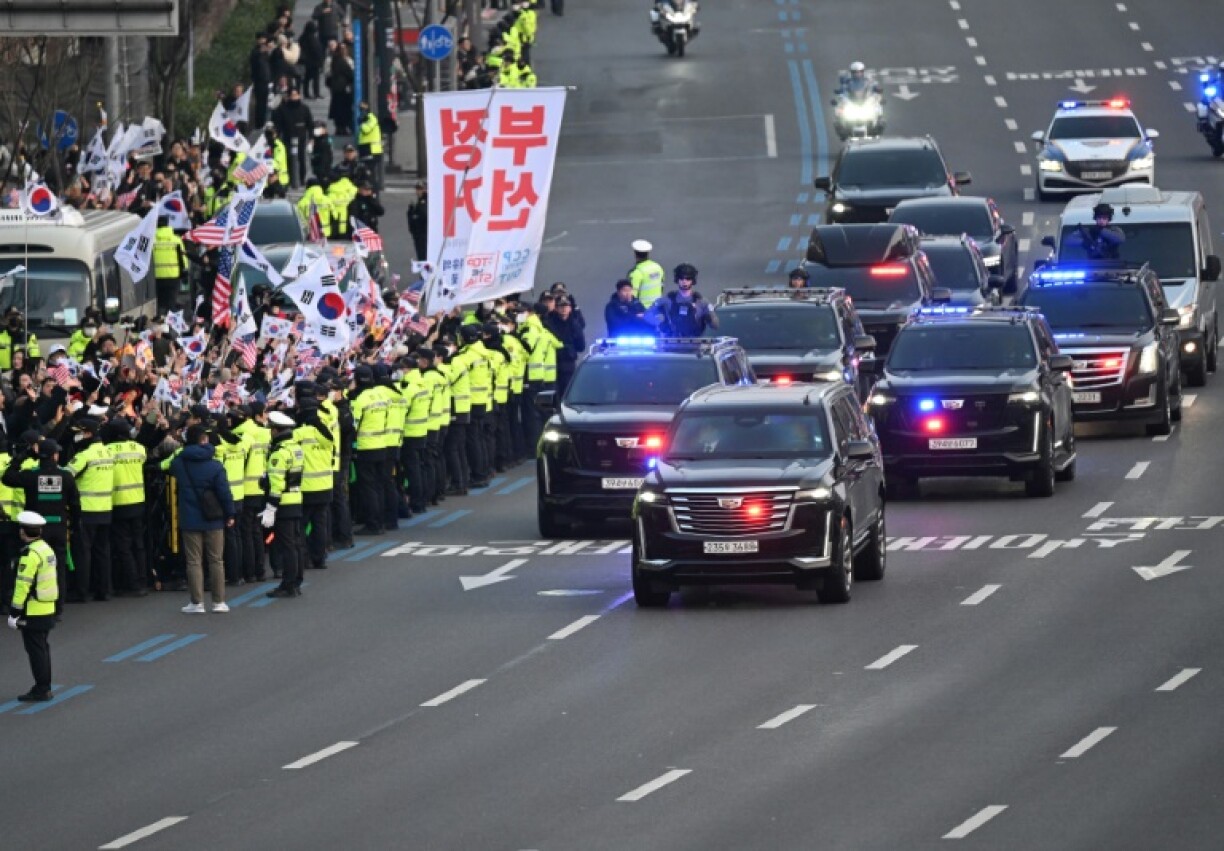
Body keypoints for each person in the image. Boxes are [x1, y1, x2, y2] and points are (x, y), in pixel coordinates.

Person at [169, 424, 236, 613]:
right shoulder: (215, 465)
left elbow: (168, 467)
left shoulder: (179, 463)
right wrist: (230, 513)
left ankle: (197, 602)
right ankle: (219, 601)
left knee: (193, 561)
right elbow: (224, 492)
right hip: (213, 517)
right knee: (216, 560)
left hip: (190, 518)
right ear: (204, 440)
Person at [8, 511, 57, 702]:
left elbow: (23, 586)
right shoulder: (46, 549)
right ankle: (44, 686)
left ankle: (42, 688)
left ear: (22, 531)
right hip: (47, 607)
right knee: (42, 648)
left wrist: (14, 613)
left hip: (34, 610)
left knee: (36, 651)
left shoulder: (30, 554)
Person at [66, 417, 114, 602]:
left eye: (79, 432)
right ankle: (103, 590)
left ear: (88, 433)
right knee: (102, 551)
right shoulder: (108, 452)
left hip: (86, 509)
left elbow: (66, 475)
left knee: (83, 552)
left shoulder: (85, 455)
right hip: (105, 508)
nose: (77, 435)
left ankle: (81, 592)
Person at [263, 411, 306, 598]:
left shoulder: (279, 454)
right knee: (296, 544)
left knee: (287, 546)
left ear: (275, 430)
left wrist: (270, 509)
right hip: (296, 499)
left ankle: (288, 584)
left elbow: (277, 485)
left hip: (283, 504)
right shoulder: (296, 448)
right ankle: (296, 581)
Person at [647, 263, 720, 337]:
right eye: (681, 278)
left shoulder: (702, 302)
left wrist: (708, 318)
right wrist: (660, 322)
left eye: (688, 279)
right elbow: (648, 314)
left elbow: (716, 325)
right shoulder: (667, 301)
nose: (684, 281)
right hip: (671, 343)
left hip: (695, 344)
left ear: (692, 280)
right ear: (677, 280)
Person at [272, 86, 313, 189]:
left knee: (301, 158)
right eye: (292, 95)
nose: (294, 97)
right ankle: (290, 179)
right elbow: (278, 124)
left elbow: (310, 124)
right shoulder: (283, 109)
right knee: (288, 159)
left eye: (296, 95)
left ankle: (302, 179)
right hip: (287, 137)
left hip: (301, 137)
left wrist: (311, 138)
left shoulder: (304, 109)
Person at [544, 295, 585, 397]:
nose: (563, 309)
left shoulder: (574, 324)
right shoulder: (549, 323)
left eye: (566, 306)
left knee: (567, 393)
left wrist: (569, 347)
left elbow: (581, 346)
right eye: (561, 307)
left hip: (568, 363)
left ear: (570, 308)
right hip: (553, 363)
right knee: (553, 394)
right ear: (556, 308)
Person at [153, 215, 188, 313]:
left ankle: (160, 323)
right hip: (173, 276)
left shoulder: (152, 240)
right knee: (171, 304)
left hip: (156, 277)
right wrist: (184, 272)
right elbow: (183, 258)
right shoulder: (176, 240)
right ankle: (170, 324)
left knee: (159, 304)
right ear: (168, 224)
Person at [627, 239, 666, 307]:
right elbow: (661, 286)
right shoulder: (658, 267)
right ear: (648, 253)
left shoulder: (636, 272)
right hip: (657, 308)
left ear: (635, 254)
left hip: (642, 311)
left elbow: (632, 296)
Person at [356, 100, 385, 190]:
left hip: (372, 150)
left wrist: (362, 123)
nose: (362, 109)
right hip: (366, 149)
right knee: (366, 173)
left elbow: (366, 129)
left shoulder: (371, 117)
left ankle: (374, 191)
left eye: (364, 107)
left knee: (370, 174)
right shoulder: (366, 117)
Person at [407, 182, 428, 262]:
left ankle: (424, 273)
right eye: (417, 189)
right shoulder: (419, 201)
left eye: (420, 189)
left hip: (423, 233)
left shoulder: (425, 201)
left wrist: (413, 213)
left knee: (423, 255)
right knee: (420, 255)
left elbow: (423, 215)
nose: (418, 191)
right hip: (418, 233)